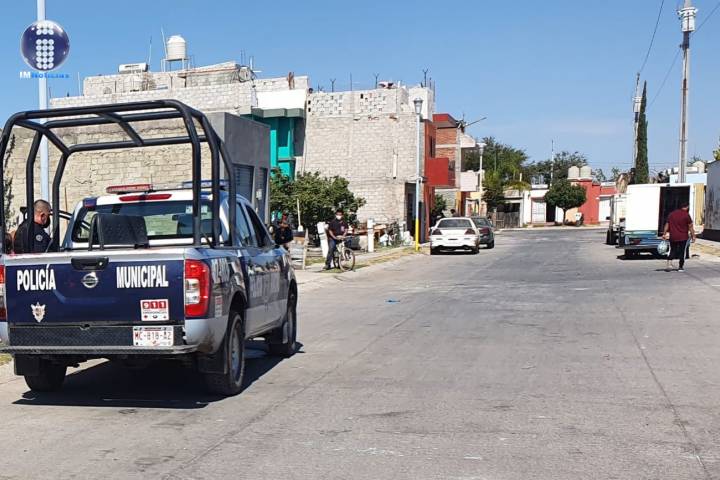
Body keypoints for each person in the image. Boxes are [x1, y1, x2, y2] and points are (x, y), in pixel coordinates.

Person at [662, 202, 695, 272]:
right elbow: (691, 227)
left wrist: (664, 234)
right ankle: (680, 267)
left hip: (673, 236)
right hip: (683, 237)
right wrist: (693, 236)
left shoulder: (671, 214)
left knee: (672, 250)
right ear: (687, 207)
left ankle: (669, 264)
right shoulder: (686, 215)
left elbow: (667, 225)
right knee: (682, 252)